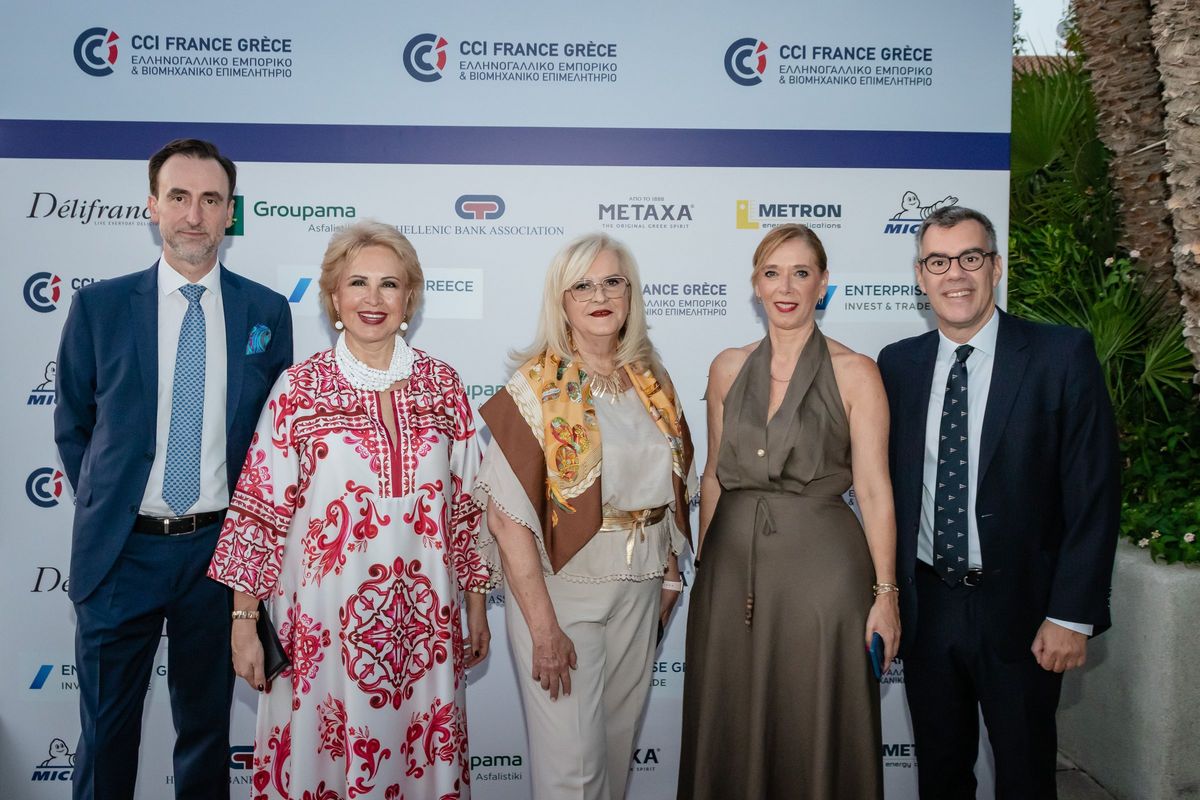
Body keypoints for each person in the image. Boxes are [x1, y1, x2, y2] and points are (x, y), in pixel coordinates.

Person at [207, 220, 492, 799]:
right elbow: (259, 511)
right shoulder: (298, 389)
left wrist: (477, 607)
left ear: (409, 298)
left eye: (390, 284)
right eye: (358, 282)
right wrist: (242, 623)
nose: (373, 298)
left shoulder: (444, 386)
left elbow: (469, 511)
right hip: (321, 632)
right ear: (334, 297)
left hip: (427, 632)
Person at [54, 138, 294, 799]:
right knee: (105, 738)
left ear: (230, 213)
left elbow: (272, 445)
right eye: (180, 197)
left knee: (207, 736)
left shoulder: (266, 312)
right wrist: (110, 505)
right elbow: (74, 426)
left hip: (218, 557)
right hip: (119, 554)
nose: (194, 215)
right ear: (153, 206)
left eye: (211, 200)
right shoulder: (100, 308)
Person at [877, 205, 1120, 799]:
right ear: (920, 276)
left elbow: (1093, 493)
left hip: (1025, 611)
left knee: (1026, 775)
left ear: (996, 266)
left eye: (970, 257)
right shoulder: (898, 365)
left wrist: (1071, 614)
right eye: (938, 262)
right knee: (940, 774)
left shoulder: (1061, 355)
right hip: (929, 604)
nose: (955, 274)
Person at [678, 223, 899, 799]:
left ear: (823, 285)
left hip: (823, 579)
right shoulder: (726, 367)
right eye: (772, 273)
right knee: (729, 719)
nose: (786, 287)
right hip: (730, 574)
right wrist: (705, 569)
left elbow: (875, 489)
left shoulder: (857, 372)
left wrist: (886, 595)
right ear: (755, 285)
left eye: (801, 273)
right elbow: (713, 475)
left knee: (813, 719)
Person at [473, 233, 694, 800]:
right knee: (573, 772)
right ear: (561, 300)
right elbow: (507, 522)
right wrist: (543, 629)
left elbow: (667, 491)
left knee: (616, 757)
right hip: (561, 593)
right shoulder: (533, 387)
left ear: (630, 294)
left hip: (641, 588)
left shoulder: (651, 381)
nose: (600, 296)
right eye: (583, 285)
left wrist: (670, 574)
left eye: (613, 282)